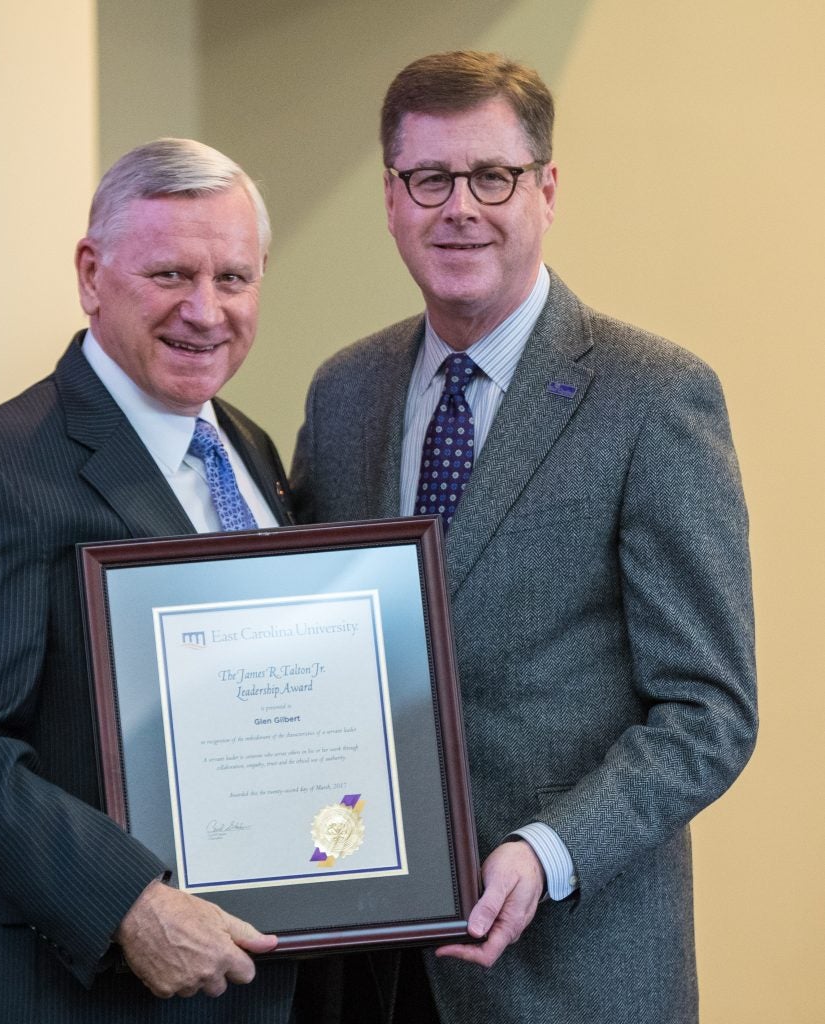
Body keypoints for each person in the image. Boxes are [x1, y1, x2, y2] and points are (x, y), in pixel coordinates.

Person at [291, 51, 758, 1024]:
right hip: (370, 971)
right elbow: (308, 647)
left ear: (544, 189)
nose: (458, 206)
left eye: (490, 176)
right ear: (390, 199)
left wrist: (547, 854)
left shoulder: (651, 396)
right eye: (429, 179)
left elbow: (707, 710)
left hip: (573, 970)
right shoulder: (343, 394)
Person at [0, 138, 301, 1023]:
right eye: (170, 275)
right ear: (90, 273)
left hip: (252, 978)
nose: (205, 310)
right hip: (80, 989)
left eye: (233, 278)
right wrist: (132, 906)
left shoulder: (250, 448)